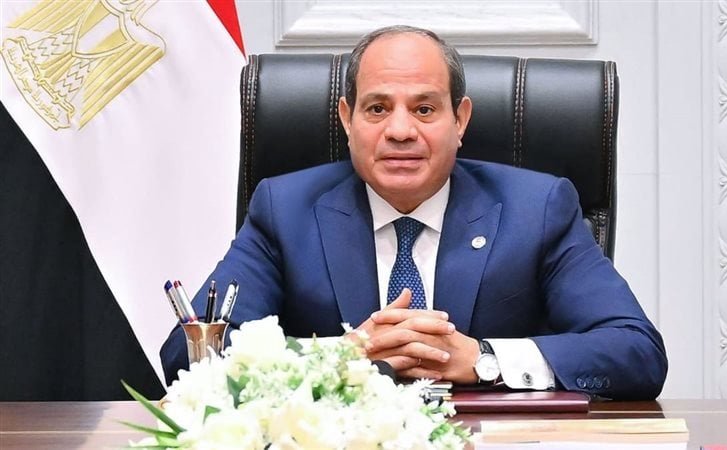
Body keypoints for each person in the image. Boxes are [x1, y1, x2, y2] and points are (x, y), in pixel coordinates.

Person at [160, 25, 667, 400]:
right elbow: (189, 355)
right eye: (377, 108)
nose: (400, 131)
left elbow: (636, 352)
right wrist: (342, 356)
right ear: (347, 119)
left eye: (424, 109)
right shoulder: (284, 209)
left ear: (460, 119)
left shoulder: (538, 209)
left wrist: (484, 359)